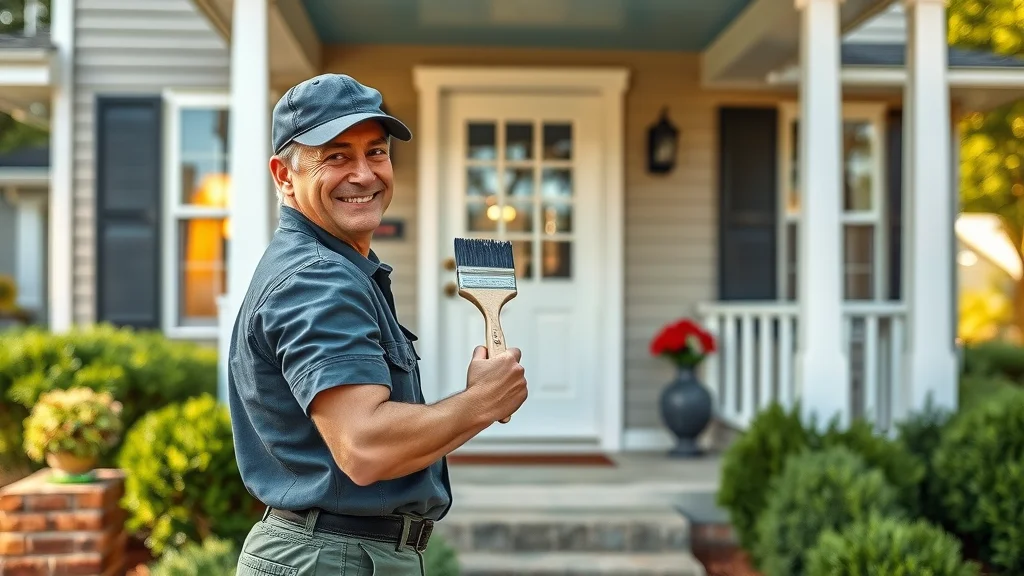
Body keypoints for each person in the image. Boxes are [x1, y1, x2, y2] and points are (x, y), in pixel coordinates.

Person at [227, 73, 529, 575]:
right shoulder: (318, 278)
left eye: (376, 152)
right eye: (337, 156)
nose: (365, 174)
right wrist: (480, 403)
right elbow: (363, 445)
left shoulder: (334, 267)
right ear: (284, 175)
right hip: (334, 558)